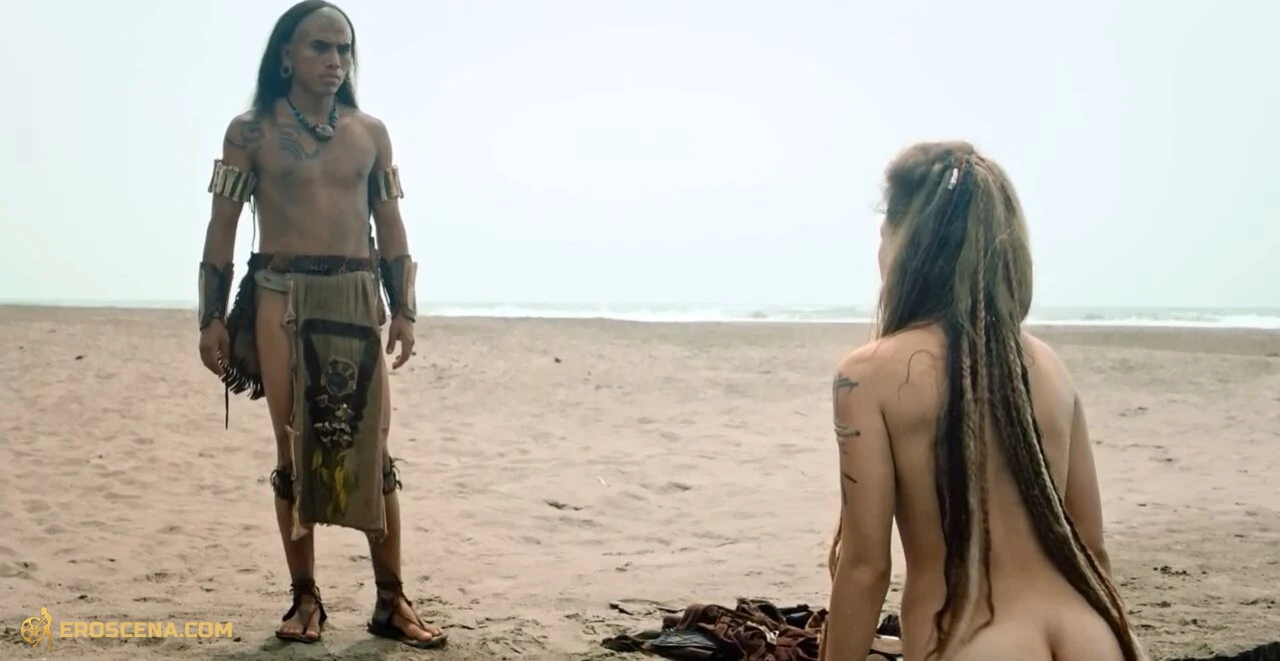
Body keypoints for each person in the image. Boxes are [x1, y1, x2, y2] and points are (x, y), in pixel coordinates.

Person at [818, 142, 1146, 661]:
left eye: (884, 234)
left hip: (975, 640)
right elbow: (1091, 546)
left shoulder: (867, 375)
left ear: (904, 242)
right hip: (1092, 634)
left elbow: (866, 567)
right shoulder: (1050, 367)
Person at [195, 0, 445, 648]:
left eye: (343, 49)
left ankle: (391, 599)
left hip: (356, 297)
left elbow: (390, 223)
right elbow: (222, 226)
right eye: (319, 47)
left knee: (373, 452)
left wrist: (404, 309)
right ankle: (305, 597)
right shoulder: (248, 132)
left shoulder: (371, 133)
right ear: (286, 55)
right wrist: (210, 318)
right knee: (292, 448)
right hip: (280, 297)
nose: (335, 60)